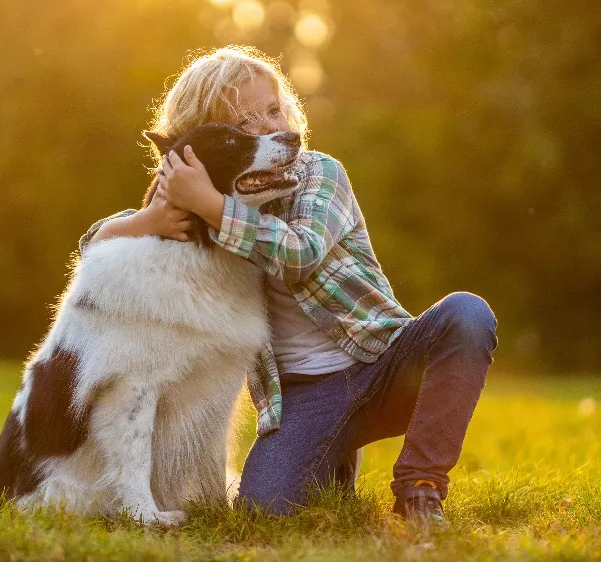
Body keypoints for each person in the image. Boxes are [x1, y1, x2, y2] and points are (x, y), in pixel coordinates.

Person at [80, 46, 497, 522]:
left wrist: (212, 207)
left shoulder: (319, 174)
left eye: (274, 110)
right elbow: (95, 242)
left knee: (467, 314)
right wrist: (151, 219)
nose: (273, 127)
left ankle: (420, 486)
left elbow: (300, 253)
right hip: (303, 396)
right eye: (245, 123)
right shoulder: (193, 206)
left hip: (382, 362)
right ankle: (332, 458)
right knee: (264, 510)